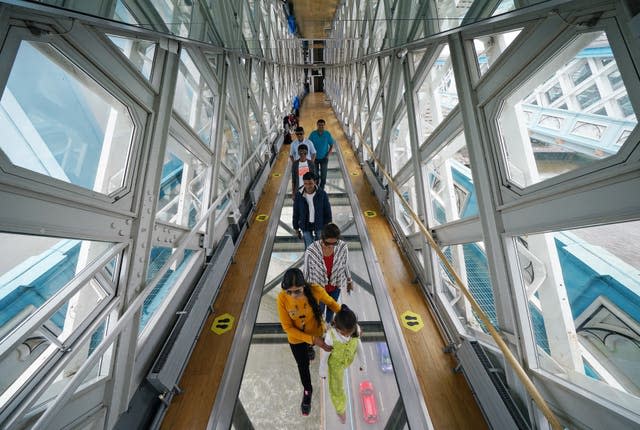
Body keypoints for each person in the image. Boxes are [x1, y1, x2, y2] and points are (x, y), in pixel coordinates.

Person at [277, 268, 342, 416]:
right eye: (289, 292)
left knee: (313, 347)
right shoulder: (282, 298)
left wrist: (344, 314)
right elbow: (287, 327)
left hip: (315, 331)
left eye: (297, 291)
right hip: (296, 338)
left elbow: (331, 303)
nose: (293, 295)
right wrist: (313, 340)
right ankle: (308, 390)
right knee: (303, 365)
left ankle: (310, 348)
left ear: (304, 286)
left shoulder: (315, 290)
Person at [319, 306, 365, 424]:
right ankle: (340, 410)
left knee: (355, 339)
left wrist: (363, 361)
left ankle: (340, 409)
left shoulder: (355, 329)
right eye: (346, 333)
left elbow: (358, 344)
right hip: (336, 364)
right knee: (336, 389)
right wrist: (322, 369)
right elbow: (325, 353)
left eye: (351, 332)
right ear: (338, 329)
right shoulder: (331, 335)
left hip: (348, 359)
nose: (348, 335)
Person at [303, 222, 353, 323]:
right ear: (322, 239)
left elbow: (345, 264)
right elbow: (306, 271)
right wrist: (304, 290)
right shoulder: (311, 251)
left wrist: (349, 280)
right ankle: (320, 328)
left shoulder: (342, 247)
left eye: (334, 244)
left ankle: (328, 325)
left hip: (335, 287)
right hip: (319, 288)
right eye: (327, 244)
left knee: (331, 309)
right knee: (319, 310)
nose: (330, 246)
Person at [293, 172, 332, 249]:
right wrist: (296, 228)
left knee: (321, 246)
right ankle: (310, 259)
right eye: (305, 183)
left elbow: (327, 210)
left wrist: (328, 224)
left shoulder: (322, 194)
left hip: (319, 223)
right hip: (305, 224)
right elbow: (296, 212)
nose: (308, 186)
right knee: (309, 247)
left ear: (315, 182)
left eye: (310, 183)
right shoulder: (299, 195)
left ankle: (319, 258)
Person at [308, 119, 335, 189]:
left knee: (323, 175)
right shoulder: (313, 134)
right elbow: (308, 145)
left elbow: (331, 145)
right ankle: (316, 188)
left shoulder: (327, 134)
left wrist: (328, 154)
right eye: (319, 125)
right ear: (317, 125)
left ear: (324, 126)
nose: (321, 127)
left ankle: (322, 188)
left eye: (322, 125)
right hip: (315, 159)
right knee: (315, 174)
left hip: (324, 158)